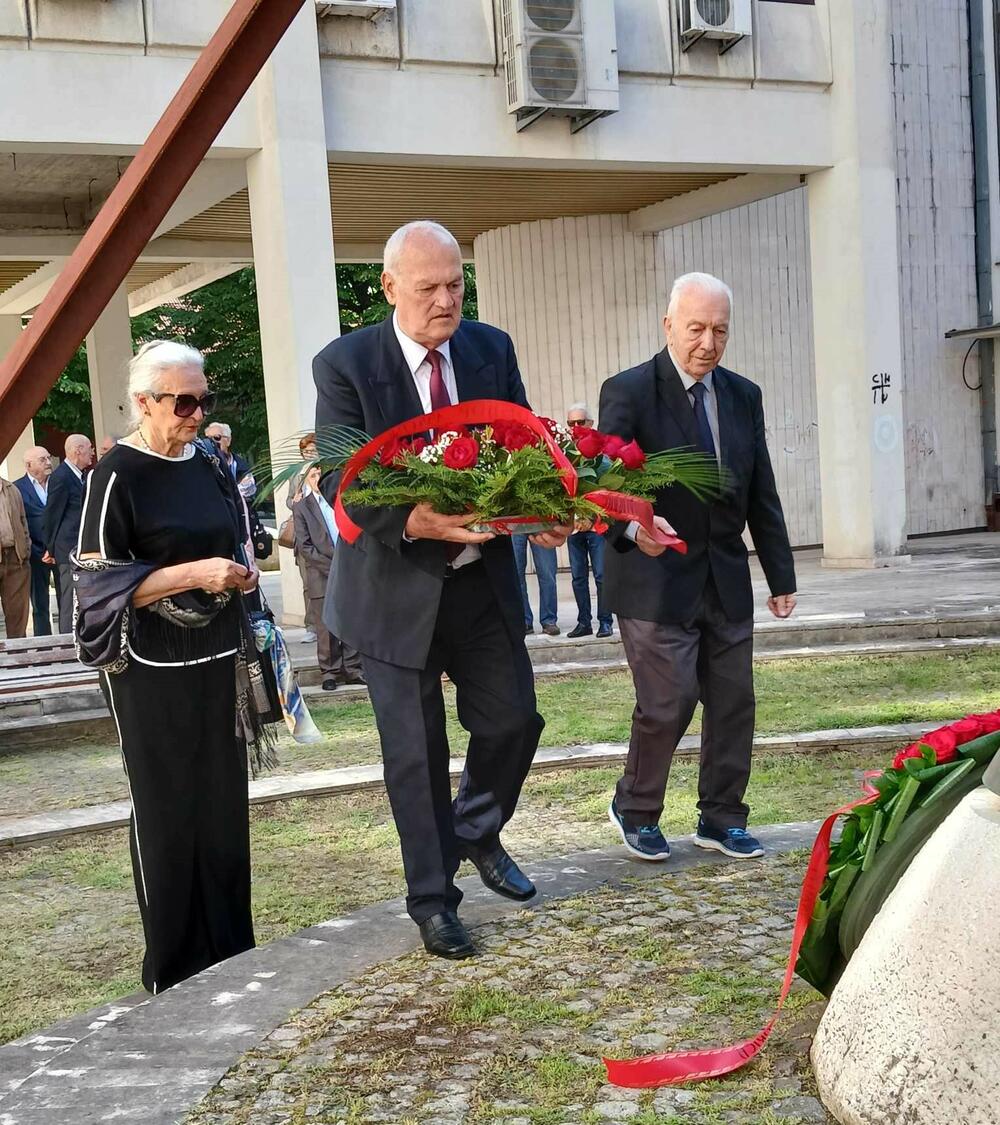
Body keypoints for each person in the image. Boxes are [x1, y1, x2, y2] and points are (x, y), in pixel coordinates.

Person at [314, 220, 570, 959]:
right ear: (390, 287)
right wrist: (412, 518)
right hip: (393, 589)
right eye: (427, 287)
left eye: (456, 283)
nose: (445, 300)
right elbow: (340, 478)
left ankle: (476, 830)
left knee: (514, 719)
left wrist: (549, 512)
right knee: (415, 754)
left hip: (479, 583)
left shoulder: (491, 348)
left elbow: (526, 443)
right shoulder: (345, 364)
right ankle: (434, 899)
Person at [74, 339, 265, 995]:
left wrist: (238, 569)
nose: (195, 412)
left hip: (216, 656)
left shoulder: (207, 460)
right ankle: (176, 968)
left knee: (221, 804)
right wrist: (192, 573)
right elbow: (96, 581)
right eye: (184, 401)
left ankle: (232, 953)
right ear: (143, 402)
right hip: (149, 668)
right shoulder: (115, 474)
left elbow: (228, 534)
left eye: (202, 398)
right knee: (166, 808)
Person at [600, 272, 796, 863]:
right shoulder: (629, 391)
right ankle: (635, 808)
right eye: (696, 329)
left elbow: (761, 488)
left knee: (735, 702)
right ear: (669, 326)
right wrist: (637, 528)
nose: (708, 343)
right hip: (654, 580)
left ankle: (722, 816)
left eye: (719, 331)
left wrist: (781, 575)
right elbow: (606, 487)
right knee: (669, 703)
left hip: (725, 579)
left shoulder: (744, 395)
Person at [293, 464, 364, 690]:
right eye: (313, 476)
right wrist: (332, 567)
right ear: (306, 481)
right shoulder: (302, 507)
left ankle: (353, 668)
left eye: (320, 474)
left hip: (348, 569)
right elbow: (305, 546)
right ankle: (330, 672)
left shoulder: (340, 501)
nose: (317, 479)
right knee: (326, 626)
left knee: (351, 620)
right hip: (321, 573)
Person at [565, 402, 613, 640]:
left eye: (580, 422)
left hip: (596, 526)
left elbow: (609, 481)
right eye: (571, 423)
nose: (576, 427)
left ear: (590, 424)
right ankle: (584, 622)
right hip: (573, 528)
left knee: (602, 574)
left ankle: (605, 622)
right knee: (578, 577)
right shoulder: (563, 452)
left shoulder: (600, 453)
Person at [44, 433, 94, 633]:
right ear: (77, 450)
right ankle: (66, 643)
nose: (92, 452)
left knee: (81, 597)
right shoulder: (61, 476)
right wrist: (51, 548)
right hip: (67, 550)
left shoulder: (79, 475)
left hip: (80, 548)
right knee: (69, 599)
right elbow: (51, 514)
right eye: (89, 447)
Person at [14, 446, 57, 636]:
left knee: (67, 603)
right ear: (29, 465)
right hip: (35, 554)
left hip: (59, 552)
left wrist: (55, 549)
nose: (48, 462)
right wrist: (38, 551)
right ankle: (44, 646)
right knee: (40, 604)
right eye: (43, 459)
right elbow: (20, 523)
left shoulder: (58, 482)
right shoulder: (17, 488)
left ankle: (68, 643)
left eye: (48, 458)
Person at [287, 433, 320, 643]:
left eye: (312, 451)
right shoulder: (296, 474)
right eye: (305, 451)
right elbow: (289, 501)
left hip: (324, 533)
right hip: (303, 534)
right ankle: (312, 627)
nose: (309, 455)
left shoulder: (325, 472)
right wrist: (296, 501)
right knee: (308, 584)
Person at [0, 475, 31, 638]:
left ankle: (18, 658)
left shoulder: (11, 489)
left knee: (17, 616)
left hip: (15, 558)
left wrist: (25, 549)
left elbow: (22, 520)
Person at [512, 534, 559, 636]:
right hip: (514, 524)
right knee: (515, 575)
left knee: (547, 574)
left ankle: (549, 620)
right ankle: (524, 620)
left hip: (540, 522)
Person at [204, 422, 255, 500]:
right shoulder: (202, 463)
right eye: (208, 439)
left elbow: (248, 489)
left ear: (228, 441)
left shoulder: (240, 465)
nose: (212, 442)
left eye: (217, 437)